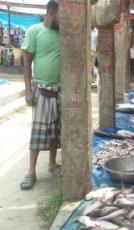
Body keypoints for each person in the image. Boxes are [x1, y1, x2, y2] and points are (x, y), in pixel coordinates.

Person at [20, 0, 60, 190]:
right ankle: (31, 171)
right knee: (38, 132)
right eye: (62, 14)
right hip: (42, 89)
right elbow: (26, 63)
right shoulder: (35, 31)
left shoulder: (64, 34)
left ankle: (52, 164)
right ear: (51, 13)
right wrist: (28, 90)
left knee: (55, 130)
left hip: (61, 91)